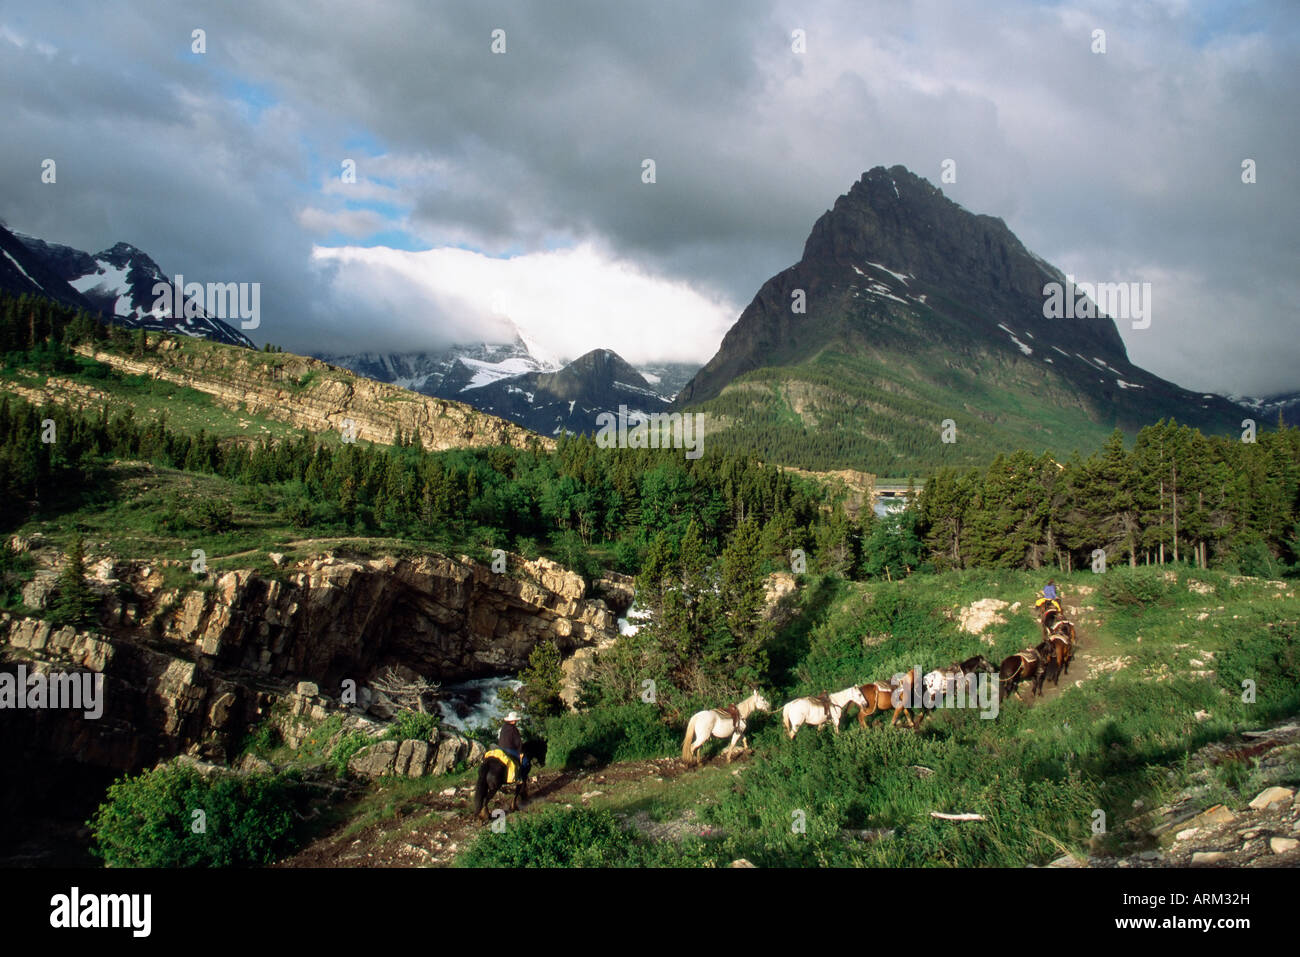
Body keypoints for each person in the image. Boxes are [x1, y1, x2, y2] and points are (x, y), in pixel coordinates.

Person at [498, 711, 528, 780]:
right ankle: (520, 778)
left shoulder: (504, 727)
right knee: (525, 761)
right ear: (514, 720)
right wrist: (520, 752)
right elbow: (518, 742)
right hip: (509, 749)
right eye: (515, 720)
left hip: (500, 748)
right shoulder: (514, 729)